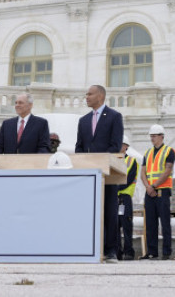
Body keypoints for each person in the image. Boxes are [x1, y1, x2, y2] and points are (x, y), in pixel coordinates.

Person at [74, 84, 124, 263]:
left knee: (110, 212)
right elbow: (79, 146)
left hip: (107, 174)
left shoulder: (114, 116)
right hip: (88, 175)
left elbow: (115, 145)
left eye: (90, 94)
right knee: (90, 212)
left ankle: (111, 250)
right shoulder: (83, 120)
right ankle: (91, 247)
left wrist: (99, 162)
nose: (86, 96)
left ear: (100, 96)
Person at [139, 124, 175, 260]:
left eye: (154, 136)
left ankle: (166, 252)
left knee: (165, 223)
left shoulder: (169, 151)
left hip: (162, 191)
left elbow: (167, 171)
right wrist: (148, 187)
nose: (152, 138)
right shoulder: (147, 153)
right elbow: (142, 172)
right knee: (150, 224)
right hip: (150, 192)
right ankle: (152, 252)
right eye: (151, 136)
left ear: (162, 136)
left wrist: (153, 186)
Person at [117, 135, 139, 261]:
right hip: (114, 198)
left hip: (125, 198)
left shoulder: (132, 161)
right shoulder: (112, 160)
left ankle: (129, 252)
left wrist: (117, 187)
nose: (120, 146)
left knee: (126, 225)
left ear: (126, 147)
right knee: (115, 226)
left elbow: (129, 179)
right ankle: (117, 252)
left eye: (122, 144)